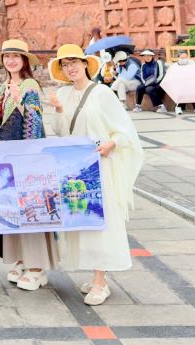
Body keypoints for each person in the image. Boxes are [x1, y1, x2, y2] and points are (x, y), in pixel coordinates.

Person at [46, 44, 143, 306]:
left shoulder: (102, 93)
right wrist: (58, 110)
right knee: (82, 221)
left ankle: (101, 281)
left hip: (99, 166)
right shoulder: (63, 93)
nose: (71, 68)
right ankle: (95, 274)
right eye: (65, 64)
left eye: (74, 62)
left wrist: (112, 143)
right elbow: (60, 130)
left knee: (101, 222)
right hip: (74, 168)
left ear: (85, 64)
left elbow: (124, 131)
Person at [0, 39, 58, 292]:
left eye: (16, 56)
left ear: (24, 60)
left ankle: (37, 267)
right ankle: (21, 258)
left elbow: (35, 123)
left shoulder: (29, 86)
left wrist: (19, 102)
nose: (10, 61)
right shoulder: (5, 86)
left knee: (32, 207)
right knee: (14, 209)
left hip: (29, 157)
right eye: (7, 56)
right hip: (9, 155)